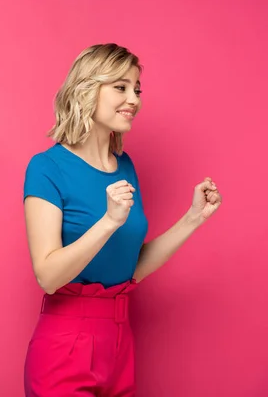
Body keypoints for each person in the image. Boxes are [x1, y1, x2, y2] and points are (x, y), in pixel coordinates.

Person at [22, 44, 222, 396]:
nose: (134, 99)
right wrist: (109, 221)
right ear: (87, 88)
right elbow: (48, 276)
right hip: (65, 344)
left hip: (119, 342)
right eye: (120, 87)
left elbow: (131, 268)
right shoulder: (47, 168)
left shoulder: (125, 166)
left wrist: (193, 218)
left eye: (137, 89)